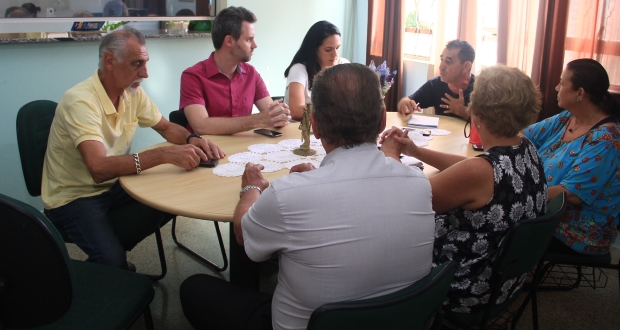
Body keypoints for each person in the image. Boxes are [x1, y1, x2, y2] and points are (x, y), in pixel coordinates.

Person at [180, 63, 436, 330]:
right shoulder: (419, 184)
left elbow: (244, 235)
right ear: (383, 119)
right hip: (399, 322)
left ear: (314, 125)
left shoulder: (287, 195)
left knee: (194, 287)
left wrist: (250, 190)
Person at [42, 27, 225, 270]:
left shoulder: (132, 92)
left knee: (172, 199)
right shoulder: (80, 101)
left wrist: (193, 139)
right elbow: (98, 169)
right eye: (136, 63)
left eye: (145, 63)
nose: (145, 73)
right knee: (112, 260)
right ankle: (110, 265)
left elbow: (166, 127)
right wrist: (162, 155)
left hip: (116, 184)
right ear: (109, 61)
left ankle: (112, 254)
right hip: (74, 196)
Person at [382, 65, 547, 313]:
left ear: (476, 112)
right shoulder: (525, 147)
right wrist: (415, 151)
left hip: (463, 285)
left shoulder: (480, 173)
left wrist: (390, 155)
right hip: (505, 279)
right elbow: (471, 167)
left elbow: (406, 199)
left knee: (384, 231)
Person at [523, 58, 620, 256]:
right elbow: (524, 136)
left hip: (576, 232)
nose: (557, 87)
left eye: (562, 83)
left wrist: (517, 192)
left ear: (580, 93)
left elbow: (571, 194)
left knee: (494, 219)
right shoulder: (567, 118)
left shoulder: (605, 142)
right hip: (543, 210)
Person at [179, 6, 291, 135]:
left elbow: (272, 115)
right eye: (249, 39)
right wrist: (258, 120)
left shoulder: (251, 73)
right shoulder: (192, 76)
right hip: (207, 151)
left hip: (244, 149)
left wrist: (281, 115)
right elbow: (201, 126)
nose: (255, 45)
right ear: (229, 41)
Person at [283, 20, 350, 120]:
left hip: (333, 129)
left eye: (337, 48)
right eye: (328, 50)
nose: (335, 54)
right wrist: (336, 113)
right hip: (300, 130)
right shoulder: (299, 69)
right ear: (314, 49)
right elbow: (296, 110)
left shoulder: (343, 65)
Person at [397, 39, 475, 119]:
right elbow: (407, 100)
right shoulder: (435, 84)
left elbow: (487, 125)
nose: (441, 66)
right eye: (442, 60)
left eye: (448, 61)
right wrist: (405, 104)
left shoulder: (480, 89)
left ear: (466, 66)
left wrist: (462, 111)